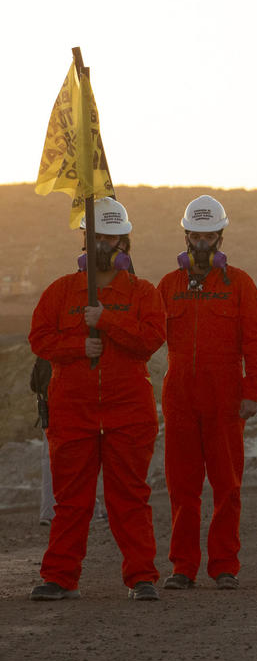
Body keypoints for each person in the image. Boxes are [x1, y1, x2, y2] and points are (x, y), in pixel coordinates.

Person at [28, 198, 166, 601]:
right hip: (73, 410)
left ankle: (142, 577)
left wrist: (106, 319)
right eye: (100, 237)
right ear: (86, 242)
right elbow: (39, 339)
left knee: (130, 497)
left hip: (128, 411)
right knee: (70, 500)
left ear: (126, 243)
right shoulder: (60, 291)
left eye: (115, 238)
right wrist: (77, 346)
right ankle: (60, 577)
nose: (108, 245)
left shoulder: (143, 292)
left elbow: (150, 340)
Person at [156, 195, 257, 591]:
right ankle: (182, 568)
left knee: (227, 485)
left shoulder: (240, 284)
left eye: (208, 235)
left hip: (225, 397)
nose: (201, 242)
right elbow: (143, 337)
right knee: (182, 487)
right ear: (185, 235)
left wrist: (251, 391)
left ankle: (224, 565)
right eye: (195, 235)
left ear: (220, 237)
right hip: (180, 397)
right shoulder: (168, 285)